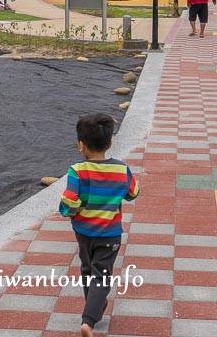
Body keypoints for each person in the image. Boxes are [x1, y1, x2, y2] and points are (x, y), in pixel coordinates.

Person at [59, 113, 139, 337]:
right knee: (102, 275)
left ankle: (94, 308)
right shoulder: (121, 170)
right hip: (110, 233)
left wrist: (66, 211)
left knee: (87, 269)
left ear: (81, 145)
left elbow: (69, 201)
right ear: (110, 142)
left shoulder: (77, 171)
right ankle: (89, 320)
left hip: (83, 232)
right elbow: (133, 193)